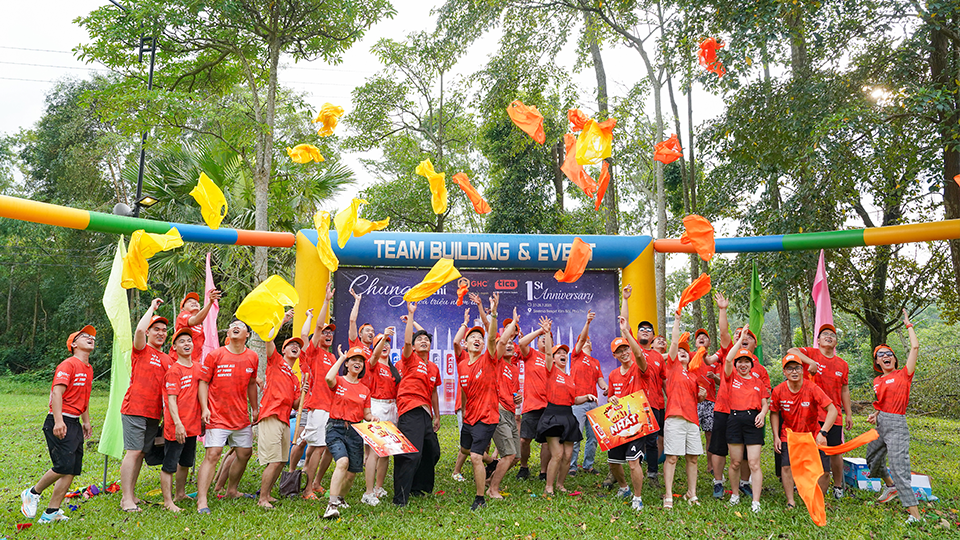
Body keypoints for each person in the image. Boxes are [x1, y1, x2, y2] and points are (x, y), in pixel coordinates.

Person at [20, 325, 96, 524]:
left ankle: (51, 512)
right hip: (59, 420)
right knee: (63, 465)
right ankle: (32, 493)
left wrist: (86, 421)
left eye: (92, 337)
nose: (91, 338)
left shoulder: (89, 368)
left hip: (74, 421)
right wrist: (59, 420)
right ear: (74, 344)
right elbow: (57, 393)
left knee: (72, 469)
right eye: (84, 336)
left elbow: (84, 397)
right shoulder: (68, 365)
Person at [195, 319, 260, 514]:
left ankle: (232, 490)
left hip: (240, 416)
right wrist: (204, 408)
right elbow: (203, 382)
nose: (236, 327)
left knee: (245, 453)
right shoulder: (215, 355)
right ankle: (202, 500)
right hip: (217, 414)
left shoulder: (252, 357)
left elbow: (251, 384)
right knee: (213, 454)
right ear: (228, 334)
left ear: (247, 335)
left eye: (241, 325)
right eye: (232, 325)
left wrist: (254, 408)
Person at [866, 309, 922, 524]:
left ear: (895, 359)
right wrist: (875, 414)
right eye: (881, 355)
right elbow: (882, 403)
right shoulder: (877, 381)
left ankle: (915, 516)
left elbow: (915, 347)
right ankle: (890, 487)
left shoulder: (904, 374)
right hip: (881, 423)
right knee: (872, 459)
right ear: (877, 363)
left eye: (888, 353)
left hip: (897, 424)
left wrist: (908, 325)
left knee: (900, 468)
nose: (885, 356)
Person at [787, 323, 853, 499]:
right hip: (810, 413)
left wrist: (849, 413)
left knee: (835, 451)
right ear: (818, 340)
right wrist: (810, 362)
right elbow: (791, 351)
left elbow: (844, 390)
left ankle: (837, 486)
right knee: (808, 449)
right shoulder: (811, 353)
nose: (829, 336)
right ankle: (804, 482)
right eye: (824, 334)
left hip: (833, 414)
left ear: (836, 342)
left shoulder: (842, 364)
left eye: (832, 335)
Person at [120, 299, 173, 512]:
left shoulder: (167, 359)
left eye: (164, 330)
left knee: (141, 453)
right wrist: (152, 308)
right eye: (156, 329)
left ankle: (131, 494)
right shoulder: (141, 349)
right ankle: (126, 499)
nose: (160, 333)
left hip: (154, 413)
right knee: (133, 452)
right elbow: (139, 330)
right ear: (149, 332)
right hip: (134, 409)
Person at [537, 318, 597, 496]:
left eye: (565, 352)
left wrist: (586, 396)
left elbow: (574, 400)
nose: (562, 355)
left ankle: (560, 484)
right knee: (557, 454)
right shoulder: (550, 370)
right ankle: (549, 486)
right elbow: (548, 354)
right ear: (554, 358)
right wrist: (546, 332)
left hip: (568, 415)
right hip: (553, 415)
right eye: (559, 353)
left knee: (568, 455)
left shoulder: (570, 378)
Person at [769, 352, 837, 509]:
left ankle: (818, 500)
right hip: (789, 434)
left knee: (824, 471)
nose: (794, 371)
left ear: (802, 370)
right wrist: (776, 436)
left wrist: (823, 432)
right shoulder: (778, 390)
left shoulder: (812, 388)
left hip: (813, 433)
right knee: (786, 467)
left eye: (797, 368)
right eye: (790, 368)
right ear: (784, 372)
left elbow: (832, 410)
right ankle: (790, 501)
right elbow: (774, 412)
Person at [392, 301, 442, 507]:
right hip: (410, 409)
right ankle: (400, 497)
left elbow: (434, 392)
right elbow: (407, 341)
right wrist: (411, 316)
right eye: (419, 340)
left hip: (425, 413)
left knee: (432, 451)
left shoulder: (432, 367)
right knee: (411, 454)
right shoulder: (410, 359)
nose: (424, 341)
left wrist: (437, 415)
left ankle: (416, 486)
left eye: (426, 340)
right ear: (413, 347)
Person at [456, 294, 501, 509]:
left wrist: (493, 313)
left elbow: (492, 338)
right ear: (465, 344)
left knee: (475, 456)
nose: (477, 339)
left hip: (487, 416)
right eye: (472, 337)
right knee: (465, 450)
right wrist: (464, 410)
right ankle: (492, 463)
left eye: (480, 338)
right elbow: (464, 391)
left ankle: (480, 498)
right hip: (470, 417)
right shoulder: (462, 365)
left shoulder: (488, 358)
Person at [620, 285, 666, 488]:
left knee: (652, 441)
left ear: (653, 336)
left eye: (649, 330)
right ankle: (630, 470)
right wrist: (625, 299)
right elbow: (624, 323)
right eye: (641, 329)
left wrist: (670, 401)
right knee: (632, 438)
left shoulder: (658, 357)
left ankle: (652, 474)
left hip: (654, 403)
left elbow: (664, 381)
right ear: (636, 334)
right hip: (633, 403)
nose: (645, 331)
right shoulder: (632, 348)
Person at [257, 315, 305, 509]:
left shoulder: (295, 378)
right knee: (274, 460)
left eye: (298, 346)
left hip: (285, 419)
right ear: (283, 350)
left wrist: (304, 392)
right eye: (291, 344)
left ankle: (268, 494)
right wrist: (283, 320)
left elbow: (296, 405)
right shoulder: (275, 361)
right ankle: (262, 499)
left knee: (282, 460)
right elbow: (268, 340)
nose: (295, 347)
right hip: (271, 415)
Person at [322, 345, 373, 519]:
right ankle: (331, 505)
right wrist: (341, 358)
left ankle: (340, 498)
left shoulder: (365, 390)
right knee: (342, 462)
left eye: (360, 361)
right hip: (336, 427)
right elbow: (328, 378)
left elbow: (366, 414)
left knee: (351, 473)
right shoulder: (339, 381)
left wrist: (372, 418)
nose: (357, 363)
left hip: (355, 430)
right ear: (347, 363)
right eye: (354, 360)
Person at [662, 318, 707, 508]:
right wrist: (677, 320)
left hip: (692, 420)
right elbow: (674, 342)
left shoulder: (694, 376)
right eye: (679, 351)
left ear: (690, 357)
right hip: (674, 418)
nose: (682, 353)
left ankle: (691, 493)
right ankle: (668, 495)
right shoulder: (671, 368)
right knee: (672, 457)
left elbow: (696, 399)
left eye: (685, 352)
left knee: (693, 458)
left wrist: (701, 395)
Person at [297, 285, 337, 498]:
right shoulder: (313, 353)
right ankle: (307, 489)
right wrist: (326, 301)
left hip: (330, 408)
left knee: (321, 447)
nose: (328, 334)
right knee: (318, 447)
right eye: (325, 332)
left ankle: (313, 482)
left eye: (331, 332)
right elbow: (313, 329)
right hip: (318, 407)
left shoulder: (332, 357)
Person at [724, 325, 768, 513]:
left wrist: (762, 414)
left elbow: (765, 403)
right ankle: (735, 494)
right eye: (740, 362)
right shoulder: (731, 376)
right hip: (734, 420)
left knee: (754, 463)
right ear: (736, 365)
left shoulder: (758, 382)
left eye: (746, 362)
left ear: (751, 364)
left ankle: (755, 501)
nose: (743, 365)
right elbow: (728, 359)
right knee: (735, 462)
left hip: (753, 422)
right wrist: (741, 338)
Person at [607, 315, 648, 511]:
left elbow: (639, 354)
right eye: (619, 351)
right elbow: (610, 397)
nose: (623, 353)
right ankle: (624, 488)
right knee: (613, 463)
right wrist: (611, 399)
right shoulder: (613, 374)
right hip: (619, 422)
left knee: (633, 462)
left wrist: (626, 331)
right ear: (614, 355)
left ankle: (637, 498)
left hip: (638, 420)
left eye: (625, 349)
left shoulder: (639, 367)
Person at [160, 328, 202, 512]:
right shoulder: (174, 371)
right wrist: (178, 423)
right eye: (182, 341)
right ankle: (168, 502)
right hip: (176, 426)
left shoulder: (198, 367)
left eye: (189, 341)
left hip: (192, 425)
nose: (187, 344)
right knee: (169, 465)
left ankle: (180, 493)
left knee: (185, 462)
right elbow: (171, 400)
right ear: (174, 347)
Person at [362, 329, 401, 506]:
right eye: (380, 343)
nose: (384, 346)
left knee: (386, 452)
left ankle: (379, 487)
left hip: (392, 408)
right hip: (377, 406)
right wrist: (384, 336)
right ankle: (368, 491)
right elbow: (374, 356)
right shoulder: (373, 363)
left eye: (387, 343)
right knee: (374, 452)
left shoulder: (393, 369)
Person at [489, 313, 524, 498]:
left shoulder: (514, 369)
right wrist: (514, 322)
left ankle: (490, 480)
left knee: (516, 457)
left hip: (511, 413)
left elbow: (515, 392)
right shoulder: (496, 362)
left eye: (512, 343)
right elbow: (501, 342)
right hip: (499, 413)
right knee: (508, 455)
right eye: (505, 343)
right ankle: (492, 489)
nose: (509, 345)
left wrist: (517, 399)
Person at [569, 310, 608, 476]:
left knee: (593, 437)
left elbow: (600, 380)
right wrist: (588, 322)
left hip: (593, 403)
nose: (586, 342)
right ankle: (571, 466)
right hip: (578, 402)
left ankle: (588, 465)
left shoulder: (595, 362)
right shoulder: (575, 356)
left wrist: (606, 388)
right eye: (584, 340)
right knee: (575, 435)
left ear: (591, 345)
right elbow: (581, 339)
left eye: (588, 341)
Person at [515, 318, 553, 481]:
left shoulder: (554, 359)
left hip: (549, 406)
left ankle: (543, 472)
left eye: (547, 337)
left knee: (547, 441)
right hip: (531, 405)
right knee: (524, 440)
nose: (544, 339)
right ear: (537, 342)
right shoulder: (531, 354)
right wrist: (541, 331)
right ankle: (524, 467)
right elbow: (522, 343)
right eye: (541, 338)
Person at [174, 289, 221, 361]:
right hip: (178, 361)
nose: (194, 302)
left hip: (193, 362)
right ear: (182, 309)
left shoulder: (200, 326)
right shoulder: (182, 316)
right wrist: (210, 302)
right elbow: (195, 320)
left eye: (196, 301)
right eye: (189, 301)